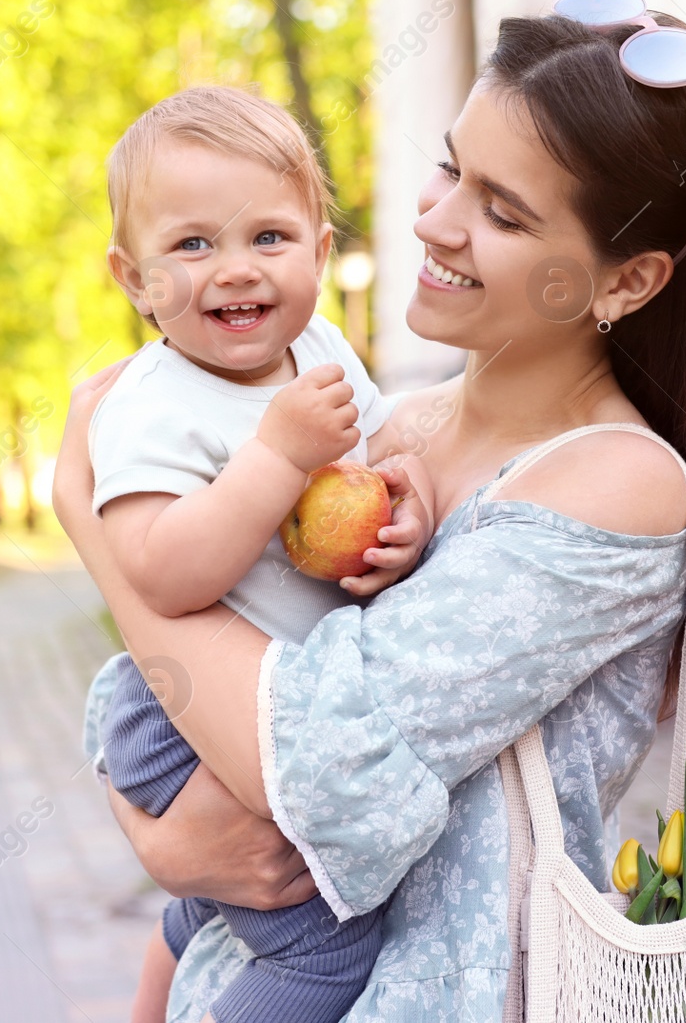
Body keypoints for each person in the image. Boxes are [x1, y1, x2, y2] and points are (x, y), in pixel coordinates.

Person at [56, 4, 686, 1022]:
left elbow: (306, 764)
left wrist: (95, 526)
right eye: (452, 168)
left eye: (503, 211)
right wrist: (162, 836)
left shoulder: (615, 485)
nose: (432, 220)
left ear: (625, 280)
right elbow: (198, 730)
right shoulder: (387, 427)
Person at [90, 85, 436, 1023]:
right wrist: (276, 457)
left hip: (270, 699)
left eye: (269, 239)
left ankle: (157, 986)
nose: (235, 271)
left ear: (321, 253)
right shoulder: (151, 404)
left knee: (225, 886)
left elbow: (382, 460)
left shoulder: (319, 348)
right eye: (193, 244)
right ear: (135, 279)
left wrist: (404, 515)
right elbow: (160, 570)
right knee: (326, 944)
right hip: (174, 713)